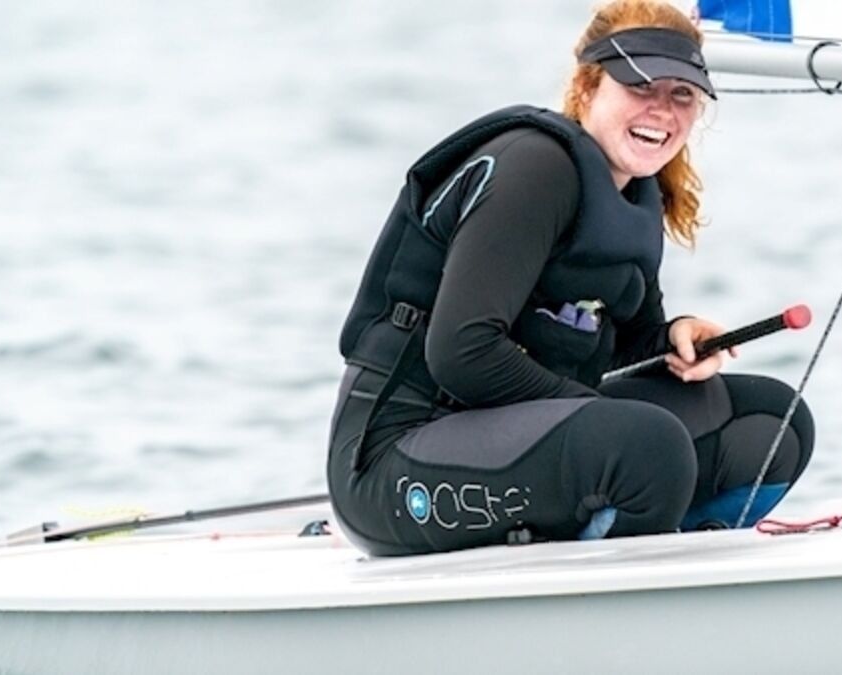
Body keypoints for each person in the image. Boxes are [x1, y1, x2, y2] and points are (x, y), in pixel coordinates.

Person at [327, 0, 814, 556]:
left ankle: (674, 553)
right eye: (640, 85)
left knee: (772, 423)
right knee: (646, 446)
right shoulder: (534, 168)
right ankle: (608, 575)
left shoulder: (635, 194)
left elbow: (615, 347)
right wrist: (596, 414)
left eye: (681, 93)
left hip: (509, 430)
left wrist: (673, 338)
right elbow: (462, 352)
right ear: (587, 87)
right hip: (392, 458)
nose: (662, 109)